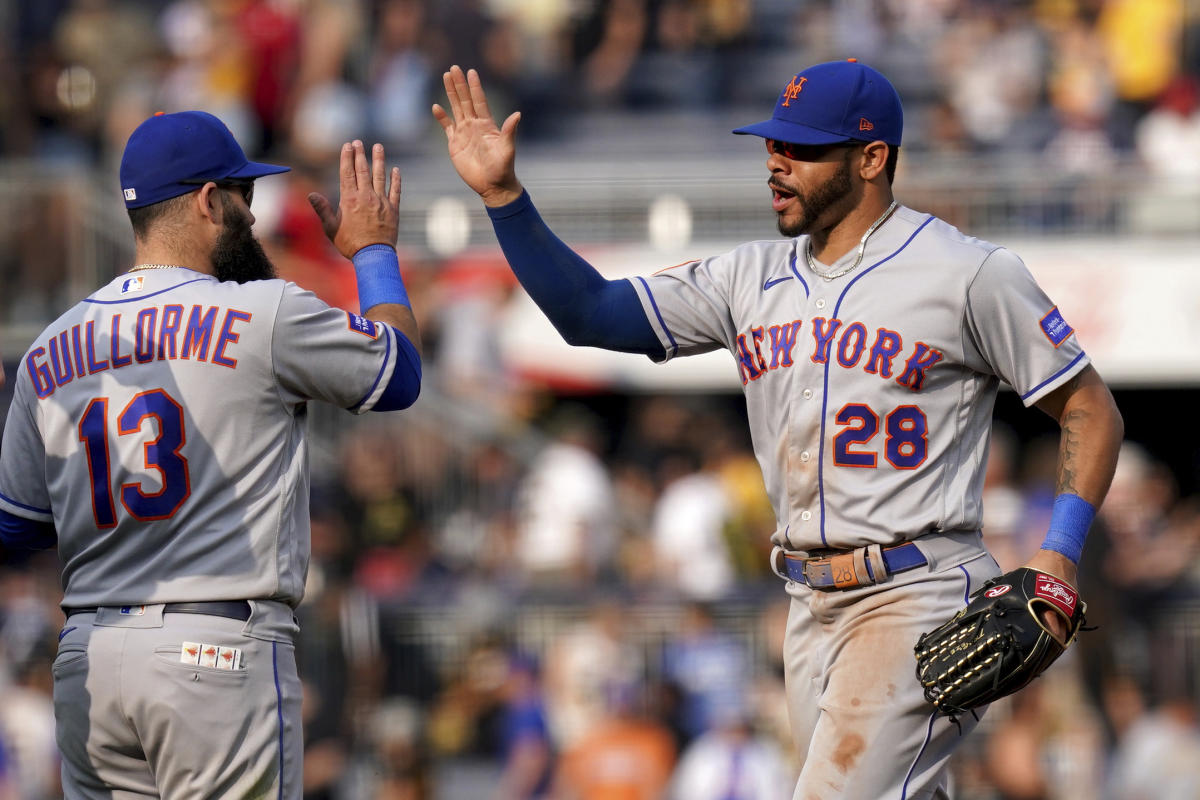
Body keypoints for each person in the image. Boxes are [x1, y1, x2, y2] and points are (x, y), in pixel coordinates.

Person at [432, 61, 1124, 797]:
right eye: (772, 145)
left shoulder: (967, 273)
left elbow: (1090, 408)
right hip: (806, 604)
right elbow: (590, 314)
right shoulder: (748, 278)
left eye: (801, 149)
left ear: (871, 158)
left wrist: (1061, 553)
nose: (776, 162)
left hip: (918, 592)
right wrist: (504, 198)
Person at [0, 110, 421, 797]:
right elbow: (398, 376)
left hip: (89, 660)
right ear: (206, 200)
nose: (250, 216)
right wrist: (373, 253)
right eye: (242, 196)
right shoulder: (263, 312)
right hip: (216, 655)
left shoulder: (51, 347)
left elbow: (15, 529)